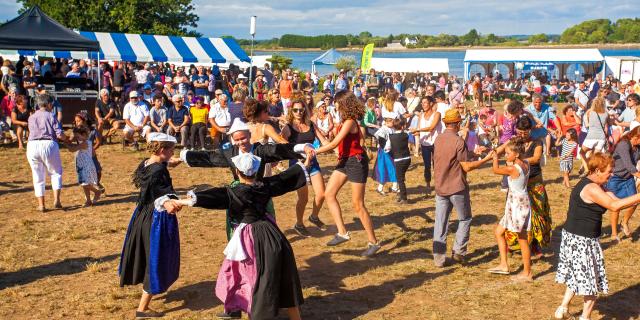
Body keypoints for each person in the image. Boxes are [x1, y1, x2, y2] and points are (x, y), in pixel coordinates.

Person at [184, 153, 309, 320]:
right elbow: (287, 177)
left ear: (237, 171)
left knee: (252, 279)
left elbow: (210, 196)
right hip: (273, 235)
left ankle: (255, 313)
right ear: (257, 171)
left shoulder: (235, 192)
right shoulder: (265, 186)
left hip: (251, 239)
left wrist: (179, 201)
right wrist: (307, 160)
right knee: (284, 277)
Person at [553, 153, 640, 320]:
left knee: (576, 274)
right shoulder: (591, 188)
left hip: (575, 237)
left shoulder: (597, 185)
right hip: (582, 241)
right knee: (591, 284)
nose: (612, 174)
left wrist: (635, 198)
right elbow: (614, 206)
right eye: (609, 171)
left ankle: (563, 308)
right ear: (598, 170)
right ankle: (585, 318)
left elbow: (618, 201)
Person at [119, 132, 184, 319]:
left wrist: (171, 162)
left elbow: (156, 174)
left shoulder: (146, 163)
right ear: (162, 150)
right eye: (171, 150)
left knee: (149, 256)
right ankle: (143, 309)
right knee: (156, 259)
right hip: (157, 219)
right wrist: (172, 203)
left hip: (141, 215)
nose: (173, 152)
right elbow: (162, 196)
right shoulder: (159, 171)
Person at [316, 91, 380, 257]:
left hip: (355, 163)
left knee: (358, 205)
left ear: (344, 103)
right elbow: (347, 142)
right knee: (328, 194)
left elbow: (335, 143)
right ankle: (342, 232)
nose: (334, 105)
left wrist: (314, 152)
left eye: (336, 102)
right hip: (345, 161)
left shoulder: (350, 122)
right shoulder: (345, 121)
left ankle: (373, 242)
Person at [432, 109, 492, 267]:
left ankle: (439, 257)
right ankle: (458, 251)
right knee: (465, 218)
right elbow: (466, 167)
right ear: (458, 123)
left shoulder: (438, 139)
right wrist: (485, 159)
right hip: (457, 187)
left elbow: (452, 158)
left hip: (440, 186)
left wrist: (472, 152)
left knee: (441, 222)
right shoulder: (458, 141)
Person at [504, 116, 552, 259]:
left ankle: (535, 245)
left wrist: (518, 161)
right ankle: (513, 243)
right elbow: (502, 150)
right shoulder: (514, 141)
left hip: (534, 183)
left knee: (536, 214)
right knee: (514, 214)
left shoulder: (537, 142)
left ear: (530, 130)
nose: (522, 135)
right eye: (519, 132)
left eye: (525, 133)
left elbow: (536, 158)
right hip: (517, 185)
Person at [280, 98, 327, 236]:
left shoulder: (311, 124)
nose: (299, 112)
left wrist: (336, 149)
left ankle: (313, 216)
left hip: (313, 162)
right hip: (298, 165)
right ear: (291, 111)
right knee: (304, 198)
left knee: (321, 194)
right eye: (295, 110)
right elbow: (281, 144)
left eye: (301, 109)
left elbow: (324, 140)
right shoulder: (288, 128)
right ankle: (299, 224)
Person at [487, 138, 532, 281]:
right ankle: (504, 265)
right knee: (499, 232)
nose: (506, 155)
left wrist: (495, 157)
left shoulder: (513, 168)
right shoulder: (526, 163)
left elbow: (495, 170)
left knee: (522, 239)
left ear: (516, 154)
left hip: (517, 204)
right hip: (516, 202)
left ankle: (527, 273)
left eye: (508, 153)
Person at [26, 94, 69, 212]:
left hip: (32, 145)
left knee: (37, 175)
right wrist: (67, 139)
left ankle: (41, 205)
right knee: (55, 173)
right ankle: (57, 200)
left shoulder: (31, 117)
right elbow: (59, 134)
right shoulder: (51, 115)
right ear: (48, 104)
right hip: (49, 144)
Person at [605, 126, 640, 242]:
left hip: (628, 178)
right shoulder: (623, 144)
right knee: (616, 206)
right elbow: (629, 166)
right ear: (636, 137)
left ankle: (624, 222)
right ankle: (614, 234)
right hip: (616, 178)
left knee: (635, 200)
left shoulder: (637, 147)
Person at [411, 96, 441, 196]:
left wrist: (418, 131)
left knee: (436, 165)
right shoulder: (421, 115)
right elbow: (419, 128)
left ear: (431, 103)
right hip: (425, 144)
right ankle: (428, 185)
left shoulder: (437, 114)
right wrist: (415, 134)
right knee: (427, 165)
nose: (423, 105)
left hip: (436, 143)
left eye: (425, 103)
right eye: (422, 103)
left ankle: (438, 185)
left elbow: (431, 128)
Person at [67, 125, 102, 207]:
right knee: (85, 184)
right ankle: (88, 200)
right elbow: (93, 153)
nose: (77, 138)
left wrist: (67, 144)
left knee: (84, 183)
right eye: (76, 136)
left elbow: (72, 150)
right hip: (84, 165)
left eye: (78, 136)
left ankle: (97, 192)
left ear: (85, 135)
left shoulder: (84, 143)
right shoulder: (88, 143)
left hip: (85, 166)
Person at [579, 97, 609, 172]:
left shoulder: (590, 112)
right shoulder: (606, 113)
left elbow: (586, 124)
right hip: (601, 137)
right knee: (596, 157)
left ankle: (586, 169)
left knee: (582, 152)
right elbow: (609, 123)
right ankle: (594, 171)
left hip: (591, 136)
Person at [373, 111, 399, 195]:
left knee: (394, 169)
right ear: (388, 121)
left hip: (391, 152)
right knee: (384, 169)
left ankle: (395, 187)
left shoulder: (392, 128)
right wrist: (384, 146)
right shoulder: (384, 129)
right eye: (393, 121)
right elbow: (380, 137)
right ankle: (380, 188)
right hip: (384, 153)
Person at [387, 118, 411, 204]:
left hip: (399, 160)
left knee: (400, 179)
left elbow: (387, 148)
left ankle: (404, 198)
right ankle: (401, 195)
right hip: (407, 159)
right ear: (402, 127)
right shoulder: (406, 134)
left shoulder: (391, 137)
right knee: (401, 177)